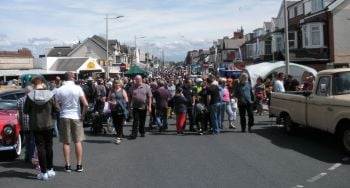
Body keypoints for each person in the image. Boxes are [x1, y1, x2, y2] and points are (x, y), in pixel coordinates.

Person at [24, 76, 60, 180]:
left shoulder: (30, 96)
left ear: (33, 84)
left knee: (40, 148)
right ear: (42, 83)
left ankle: (43, 172)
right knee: (49, 146)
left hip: (36, 125)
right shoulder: (50, 94)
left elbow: (26, 110)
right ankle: (50, 169)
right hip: (48, 124)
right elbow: (57, 108)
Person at [55, 72, 88, 173]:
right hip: (76, 116)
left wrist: (61, 109)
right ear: (73, 78)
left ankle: (67, 166)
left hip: (64, 116)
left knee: (66, 142)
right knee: (77, 141)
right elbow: (86, 104)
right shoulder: (78, 88)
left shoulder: (59, 90)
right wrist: (82, 115)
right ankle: (79, 165)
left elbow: (56, 104)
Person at [128, 75, 152, 139]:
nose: (138, 81)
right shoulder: (132, 87)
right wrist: (129, 106)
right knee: (135, 120)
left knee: (142, 120)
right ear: (135, 80)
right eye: (136, 80)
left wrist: (149, 106)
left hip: (143, 106)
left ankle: (142, 131)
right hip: (135, 107)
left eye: (139, 79)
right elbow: (129, 97)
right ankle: (134, 134)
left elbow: (149, 97)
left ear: (141, 79)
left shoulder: (146, 87)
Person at [17, 85, 35, 163]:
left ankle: (27, 156)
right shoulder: (33, 100)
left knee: (27, 140)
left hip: (24, 124)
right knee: (32, 141)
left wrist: (20, 122)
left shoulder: (20, 100)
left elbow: (18, 114)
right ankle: (31, 157)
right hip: (33, 123)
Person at [108, 79, 128, 144]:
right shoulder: (111, 91)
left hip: (121, 109)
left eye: (118, 83)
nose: (117, 84)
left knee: (120, 123)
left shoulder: (123, 91)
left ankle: (118, 136)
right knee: (115, 123)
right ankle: (118, 135)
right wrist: (111, 102)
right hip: (113, 109)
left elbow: (126, 100)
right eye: (115, 83)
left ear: (120, 84)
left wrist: (118, 102)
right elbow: (108, 100)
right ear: (113, 84)